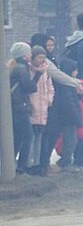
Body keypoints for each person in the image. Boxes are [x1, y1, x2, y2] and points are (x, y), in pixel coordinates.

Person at [41, 55, 83, 172]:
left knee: (70, 141)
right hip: (69, 119)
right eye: (75, 70)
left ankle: (65, 162)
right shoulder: (66, 86)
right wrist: (77, 119)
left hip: (67, 118)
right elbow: (70, 104)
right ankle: (65, 163)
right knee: (70, 142)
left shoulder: (67, 85)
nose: (77, 72)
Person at [8, 42, 41, 174]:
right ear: (24, 55)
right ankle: (22, 166)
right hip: (19, 107)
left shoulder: (10, 66)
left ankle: (9, 165)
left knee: (17, 136)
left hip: (12, 107)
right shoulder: (21, 68)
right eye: (29, 52)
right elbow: (30, 87)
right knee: (28, 135)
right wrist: (38, 74)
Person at [27, 47, 54, 172]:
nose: (42, 59)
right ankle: (27, 163)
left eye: (43, 57)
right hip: (32, 107)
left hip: (43, 108)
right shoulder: (29, 70)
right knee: (30, 137)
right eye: (39, 57)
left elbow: (50, 87)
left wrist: (49, 100)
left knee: (39, 137)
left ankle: (36, 163)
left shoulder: (46, 71)